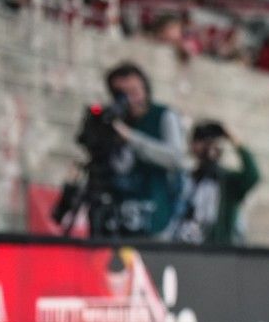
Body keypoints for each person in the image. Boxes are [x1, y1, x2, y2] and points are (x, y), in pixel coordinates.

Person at [92, 62, 187, 238]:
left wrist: (131, 138)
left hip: (156, 216)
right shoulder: (117, 121)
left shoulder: (163, 115)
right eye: (122, 94)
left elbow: (176, 158)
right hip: (121, 217)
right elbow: (118, 167)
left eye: (134, 91)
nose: (131, 99)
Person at [171, 121, 260, 246]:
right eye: (203, 142)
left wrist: (232, 138)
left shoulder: (227, 181)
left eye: (213, 142)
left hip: (219, 250)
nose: (209, 148)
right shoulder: (186, 178)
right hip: (188, 245)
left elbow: (253, 175)